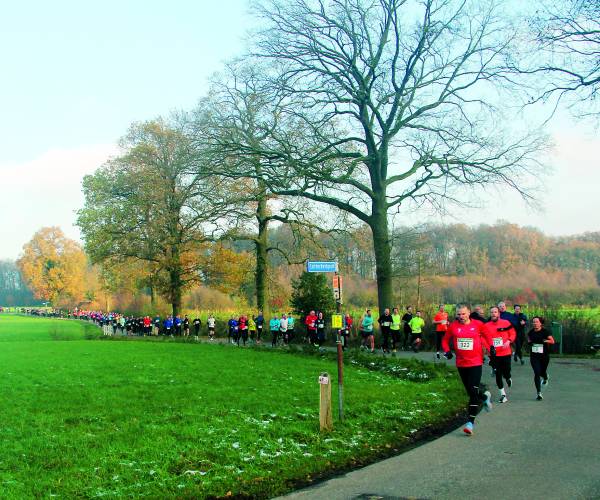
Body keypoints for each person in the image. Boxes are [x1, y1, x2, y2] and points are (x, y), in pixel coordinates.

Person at [442, 304, 493, 435]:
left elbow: (488, 335)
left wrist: (491, 347)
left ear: (469, 313)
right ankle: (484, 396)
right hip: (461, 363)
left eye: (463, 314)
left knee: (472, 389)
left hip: (476, 362)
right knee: (471, 392)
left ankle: (470, 423)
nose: (461, 316)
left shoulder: (478, 324)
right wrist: (447, 351)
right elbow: (445, 340)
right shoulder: (453, 326)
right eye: (458, 314)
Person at [483, 306, 516, 403]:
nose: (493, 314)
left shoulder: (506, 323)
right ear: (490, 314)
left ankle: (508, 377)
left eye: (495, 312)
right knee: (497, 373)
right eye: (492, 312)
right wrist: (489, 347)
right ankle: (503, 395)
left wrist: (509, 341)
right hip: (494, 354)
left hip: (506, 352)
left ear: (499, 313)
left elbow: (513, 333)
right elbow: (482, 338)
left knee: (506, 371)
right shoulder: (486, 326)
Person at [528, 316, 555, 400]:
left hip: (544, 356)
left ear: (540, 323)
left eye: (537, 322)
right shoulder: (530, 332)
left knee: (542, 372)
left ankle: (545, 377)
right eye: (534, 322)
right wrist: (530, 343)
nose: (535, 323)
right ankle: (539, 393)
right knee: (537, 373)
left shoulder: (545, 332)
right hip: (534, 356)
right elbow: (529, 341)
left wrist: (545, 341)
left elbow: (552, 341)